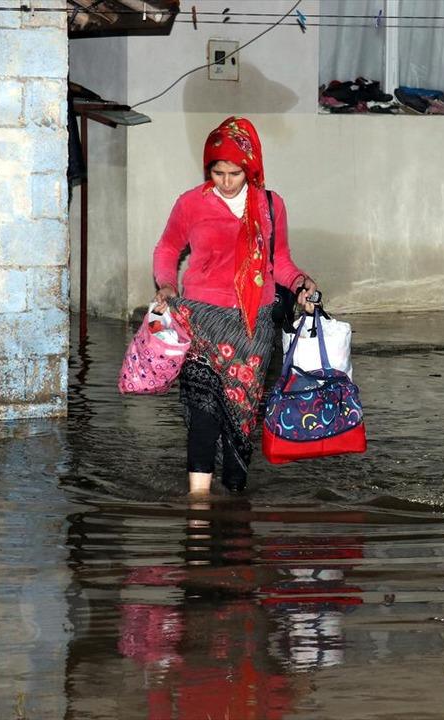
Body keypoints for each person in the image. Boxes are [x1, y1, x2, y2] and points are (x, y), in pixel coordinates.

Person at [152, 116, 318, 495]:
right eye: (217, 172)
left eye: (234, 173)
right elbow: (167, 248)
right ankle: (198, 503)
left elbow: (281, 262)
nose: (226, 181)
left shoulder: (270, 206)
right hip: (199, 320)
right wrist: (166, 284)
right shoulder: (191, 203)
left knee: (240, 421)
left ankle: (234, 499)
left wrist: (300, 284)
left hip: (250, 328)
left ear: (250, 168)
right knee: (203, 411)